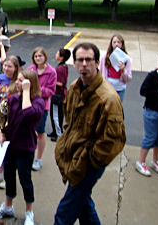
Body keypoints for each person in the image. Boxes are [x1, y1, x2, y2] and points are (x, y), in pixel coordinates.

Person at [54, 42, 126, 225]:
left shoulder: (108, 98)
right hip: (73, 156)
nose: (84, 64)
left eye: (89, 60)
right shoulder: (74, 88)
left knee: (64, 213)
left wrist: (91, 161)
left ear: (96, 62)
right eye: (80, 60)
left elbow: (113, 140)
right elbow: (68, 119)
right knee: (84, 206)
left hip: (89, 163)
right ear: (75, 64)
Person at [0, 70, 44, 225]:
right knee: (9, 176)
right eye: (18, 80)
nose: (18, 83)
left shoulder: (37, 102)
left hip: (25, 147)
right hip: (11, 146)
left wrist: (26, 91)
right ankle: (7, 206)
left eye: (22, 81)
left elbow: (28, 114)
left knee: (25, 180)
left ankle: (29, 211)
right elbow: (4, 117)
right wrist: (2, 133)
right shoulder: (13, 99)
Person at [0, 55, 21, 190]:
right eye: (5, 66)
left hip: (12, 120)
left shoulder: (19, 81)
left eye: (10, 66)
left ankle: (8, 177)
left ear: (16, 68)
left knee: (9, 148)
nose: (6, 69)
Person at [27, 47, 56, 171]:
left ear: (45, 57)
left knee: (40, 132)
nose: (38, 58)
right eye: (36, 56)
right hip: (28, 104)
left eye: (40, 56)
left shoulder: (51, 72)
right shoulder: (30, 70)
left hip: (42, 107)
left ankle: (38, 158)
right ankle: (28, 155)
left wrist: (37, 89)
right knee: (28, 131)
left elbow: (51, 91)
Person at [98, 34, 132, 102]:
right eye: (114, 42)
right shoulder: (105, 57)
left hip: (120, 88)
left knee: (117, 108)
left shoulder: (127, 59)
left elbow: (128, 78)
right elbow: (99, 71)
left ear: (122, 44)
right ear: (111, 44)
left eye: (119, 42)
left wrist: (123, 70)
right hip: (107, 87)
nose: (116, 44)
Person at [48, 48, 71, 142]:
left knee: (56, 115)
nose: (56, 54)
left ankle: (58, 133)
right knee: (54, 114)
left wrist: (50, 81)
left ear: (61, 57)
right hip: (59, 95)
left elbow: (60, 83)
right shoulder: (63, 66)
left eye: (58, 53)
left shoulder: (60, 69)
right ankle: (54, 131)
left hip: (58, 95)